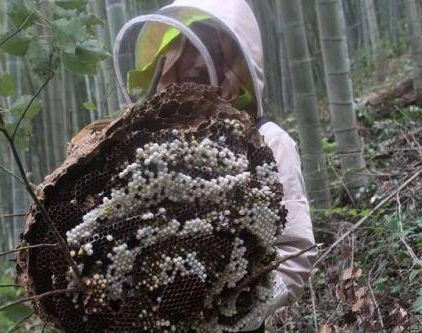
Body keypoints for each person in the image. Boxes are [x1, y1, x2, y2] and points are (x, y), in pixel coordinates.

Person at [74, 0, 317, 331]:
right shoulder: (145, 144)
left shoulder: (269, 141)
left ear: (235, 60)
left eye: (212, 48)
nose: (195, 62)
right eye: (184, 46)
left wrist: (231, 316)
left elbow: (295, 252)